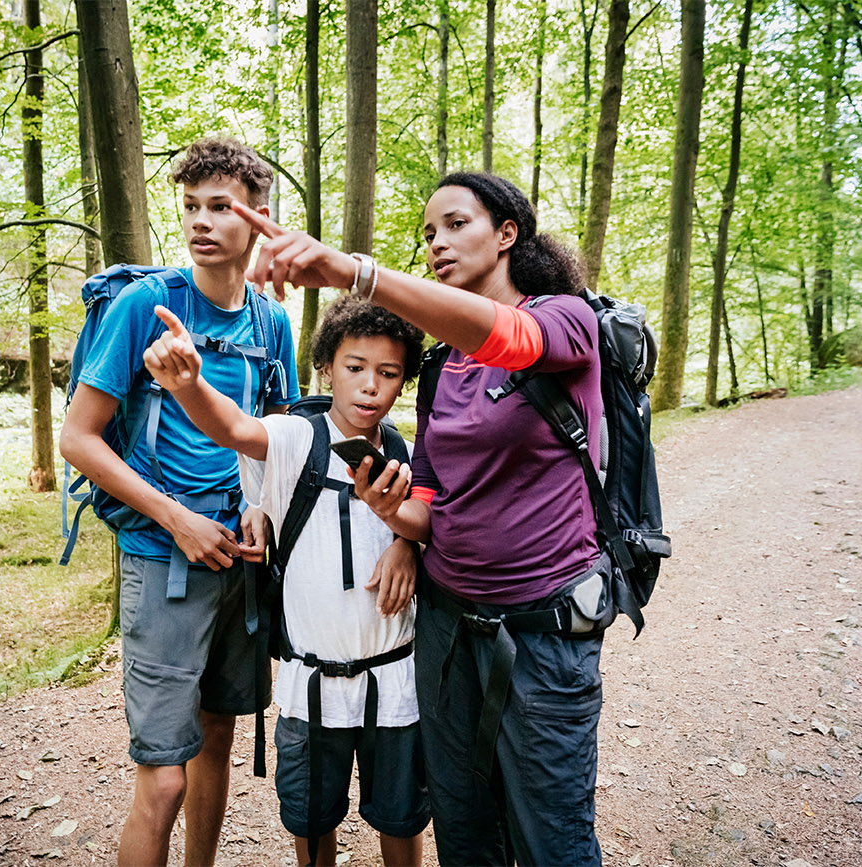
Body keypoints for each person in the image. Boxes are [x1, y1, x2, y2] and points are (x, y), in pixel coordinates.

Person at [229, 172, 607, 866]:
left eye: (456, 224)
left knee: (551, 831)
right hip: (446, 624)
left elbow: (510, 339)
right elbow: (430, 492)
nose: (437, 242)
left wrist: (353, 272)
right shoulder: (444, 365)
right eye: (429, 232)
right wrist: (394, 518)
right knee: (463, 824)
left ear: (507, 233)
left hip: (543, 629)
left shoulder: (564, 320)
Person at [59, 137, 300, 867]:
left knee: (218, 740)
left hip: (242, 565)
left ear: (258, 217)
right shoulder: (146, 304)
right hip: (162, 560)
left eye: (219, 206)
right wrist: (176, 517)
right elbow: (78, 438)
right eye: (190, 206)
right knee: (162, 778)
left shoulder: (273, 324)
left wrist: (261, 510)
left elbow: (275, 441)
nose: (199, 221)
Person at [143, 295, 431, 866]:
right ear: (326, 367)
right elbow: (233, 427)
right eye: (355, 368)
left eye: (388, 373)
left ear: (403, 383)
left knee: (401, 818)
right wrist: (189, 386)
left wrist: (407, 544)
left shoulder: (407, 453)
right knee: (311, 817)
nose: (369, 386)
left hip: (395, 682)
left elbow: (436, 527)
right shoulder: (296, 440)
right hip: (312, 686)